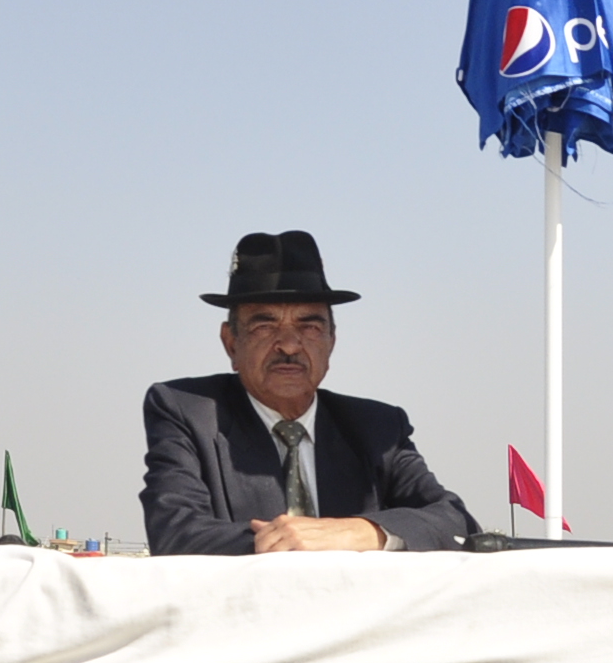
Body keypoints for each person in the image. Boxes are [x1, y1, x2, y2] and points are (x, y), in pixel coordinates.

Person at [141, 230, 477, 556]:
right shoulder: (188, 411)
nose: (289, 345)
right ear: (231, 343)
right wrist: (285, 540)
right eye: (264, 325)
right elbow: (173, 531)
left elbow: (456, 522)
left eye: (310, 327)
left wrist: (362, 531)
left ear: (332, 341)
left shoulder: (378, 427)